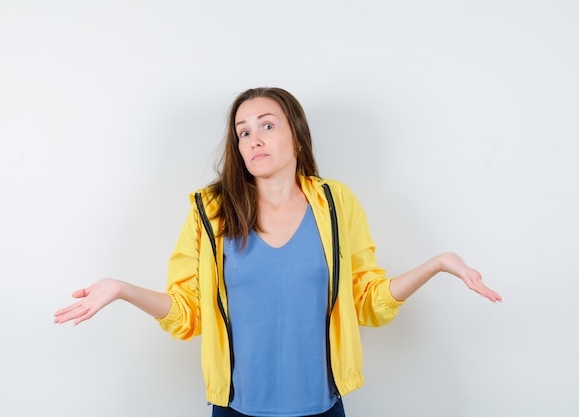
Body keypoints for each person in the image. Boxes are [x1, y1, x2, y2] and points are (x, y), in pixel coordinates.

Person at [54, 87, 502, 417]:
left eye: (267, 125)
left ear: (297, 136)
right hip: (235, 409)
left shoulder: (336, 203)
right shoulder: (209, 211)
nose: (254, 139)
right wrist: (122, 289)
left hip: (323, 407)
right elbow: (188, 313)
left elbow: (367, 300)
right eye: (243, 132)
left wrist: (438, 264)